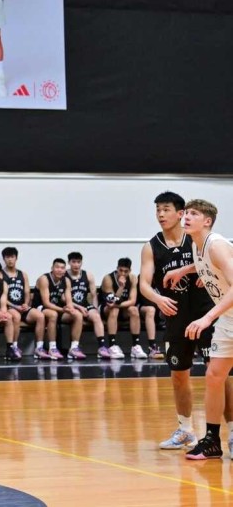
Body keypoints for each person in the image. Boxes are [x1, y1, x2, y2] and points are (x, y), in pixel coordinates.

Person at [139, 191, 218, 450]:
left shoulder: (196, 238)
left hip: (206, 314)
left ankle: (230, 433)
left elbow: (218, 262)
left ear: (180, 213)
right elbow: (144, 284)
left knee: (218, 374)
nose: (160, 214)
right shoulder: (151, 246)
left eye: (166, 209)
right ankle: (186, 430)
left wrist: (204, 271)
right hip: (176, 318)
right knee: (178, 375)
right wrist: (158, 299)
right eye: (158, 210)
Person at [178, 199, 233, 460]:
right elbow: (209, 264)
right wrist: (185, 270)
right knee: (214, 376)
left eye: (194, 214)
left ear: (207, 221)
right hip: (229, 318)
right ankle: (212, 441)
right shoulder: (196, 245)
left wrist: (207, 318)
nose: (186, 217)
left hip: (221, 315)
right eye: (186, 213)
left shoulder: (216, 245)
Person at [33, 259, 85, 360]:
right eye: (57, 267)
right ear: (52, 268)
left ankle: (74, 348)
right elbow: (46, 303)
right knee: (53, 314)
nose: (59, 270)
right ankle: (52, 348)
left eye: (62, 268)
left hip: (58, 308)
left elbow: (69, 301)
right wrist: (62, 310)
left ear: (65, 270)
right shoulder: (44, 279)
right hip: (40, 308)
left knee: (77, 315)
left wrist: (71, 309)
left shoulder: (66, 281)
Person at [99, 258, 146, 359]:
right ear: (117, 269)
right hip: (106, 308)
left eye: (126, 271)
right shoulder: (108, 279)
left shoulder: (133, 278)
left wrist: (117, 305)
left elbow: (132, 301)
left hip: (122, 307)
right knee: (114, 310)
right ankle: (112, 345)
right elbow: (112, 301)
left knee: (134, 310)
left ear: (130, 271)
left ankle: (136, 346)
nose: (123, 273)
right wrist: (121, 287)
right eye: (120, 270)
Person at [66, 252, 109, 358]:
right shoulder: (65, 276)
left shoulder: (88, 275)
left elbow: (94, 295)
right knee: (78, 315)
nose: (76, 264)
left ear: (81, 263)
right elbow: (64, 298)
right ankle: (74, 347)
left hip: (84, 304)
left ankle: (102, 347)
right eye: (73, 262)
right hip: (70, 306)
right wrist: (79, 308)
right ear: (69, 262)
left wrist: (95, 308)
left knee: (96, 316)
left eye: (78, 262)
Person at [0, 246, 38, 361]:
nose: (10, 260)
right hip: (9, 306)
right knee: (16, 316)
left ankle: (40, 347)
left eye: (12, 257)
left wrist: (26, 303)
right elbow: (2, 296)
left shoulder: (23, 274)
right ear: (4, 259)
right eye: (7, 257)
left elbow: (27, 292)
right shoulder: (1, 274)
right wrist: (15, 306)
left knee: (40, 316)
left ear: (16, 258)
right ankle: (14, 346)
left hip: (22, 307)